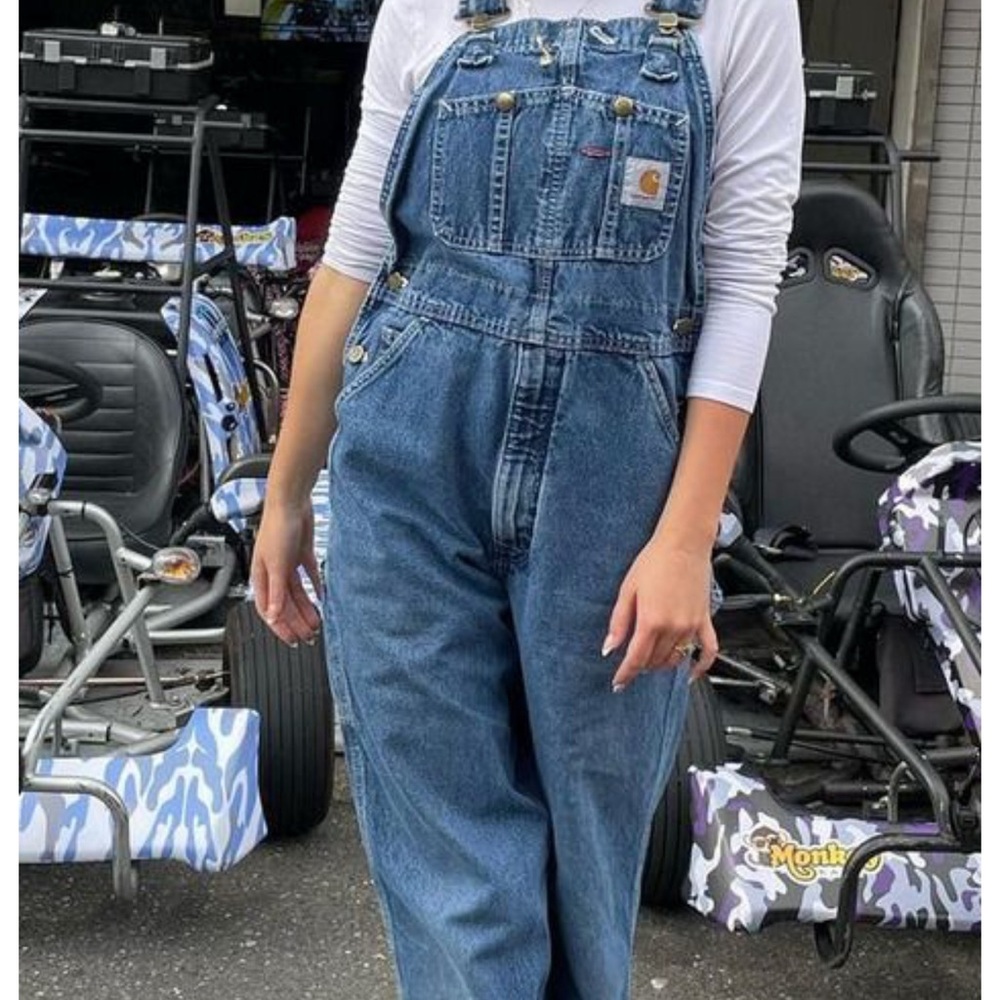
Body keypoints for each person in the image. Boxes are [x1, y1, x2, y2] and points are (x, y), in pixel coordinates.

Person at [252, 0, 804, 996]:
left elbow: (742, 277)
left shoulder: (740, 9)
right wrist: (287, 488)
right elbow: (358, 250)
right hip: (408, 460)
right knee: (456, 885)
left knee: (584, 878)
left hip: (619, 487)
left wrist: (686, 538)